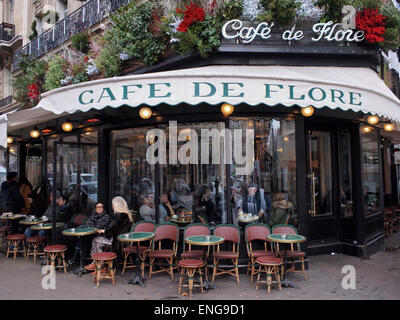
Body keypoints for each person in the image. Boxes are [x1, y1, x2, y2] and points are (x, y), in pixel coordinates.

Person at [84, 202, 112, 270]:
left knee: (96, 242)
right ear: (95, 208)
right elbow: (87, 224)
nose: (99, 209)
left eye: (101, 207)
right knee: (92, 240)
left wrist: (92, 223)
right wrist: (92, 222)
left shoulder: (106, 216)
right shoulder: (94, 215)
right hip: (97, 236)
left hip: (106, 237)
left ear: (103, 208)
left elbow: (98, 226)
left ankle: (100, 265)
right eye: (97, 207)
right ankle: (95, 262)